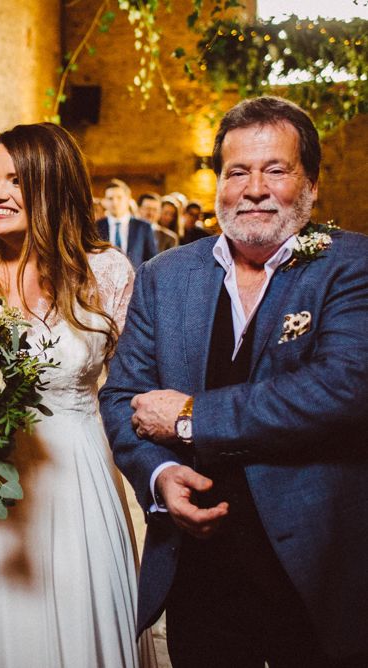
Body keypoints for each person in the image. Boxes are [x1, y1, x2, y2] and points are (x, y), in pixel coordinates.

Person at [100, 96, 368, 667]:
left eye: (276, 170)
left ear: (312, 186)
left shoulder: (351, 266)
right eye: (237, 171)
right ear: (218, 183)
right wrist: (160, 475)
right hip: (200, 568)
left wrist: (192, 416)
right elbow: (122, 395)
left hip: (314, 565)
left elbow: (342, 388)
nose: (253, 188)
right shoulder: (164, 275)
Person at [0, 123, 156, 668]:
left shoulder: (106, 272)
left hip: (74, 487)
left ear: (54, 184)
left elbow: (131, 391)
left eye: (16, 180)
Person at [97, 178, 157, 268]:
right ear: (105, 201)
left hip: (136, 279)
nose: (115, 202)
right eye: (110, 198)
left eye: (119, 197)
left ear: (128, 199)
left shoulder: (143, 227)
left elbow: (152, 260)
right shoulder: (96, 226)